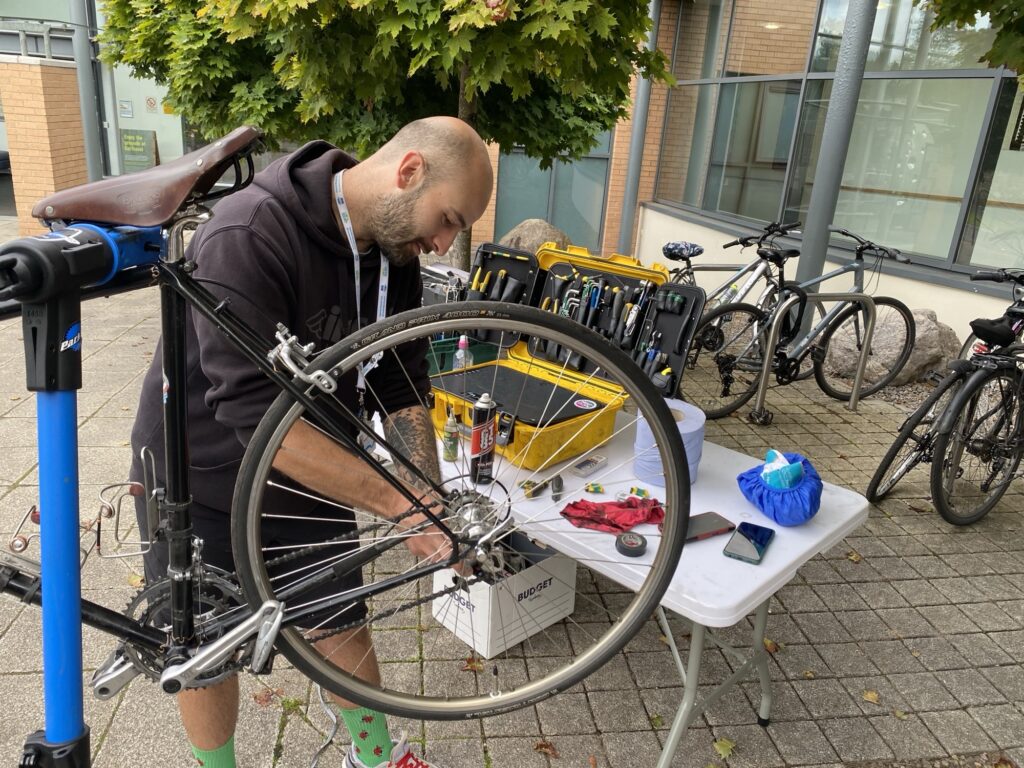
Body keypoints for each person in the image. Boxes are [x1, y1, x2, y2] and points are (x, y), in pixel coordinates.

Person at [129, 116, 493, 768]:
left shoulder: (394, 251)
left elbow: (403, 382)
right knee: (206, 648)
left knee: (340, 616)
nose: (442, 244)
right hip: (200, 470)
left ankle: (379, 759)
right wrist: (405, 509)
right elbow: (253, 412)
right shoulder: (250, 233)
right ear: (409, 172)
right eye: (448, 218)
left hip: (312, 458)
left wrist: (430, 497)